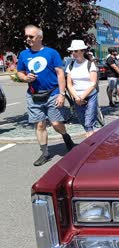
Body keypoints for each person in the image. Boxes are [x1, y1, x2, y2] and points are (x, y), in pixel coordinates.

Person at [16, 25, 75, 166]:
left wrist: (62, 94)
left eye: (31, 36)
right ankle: (45, 153)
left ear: (40, 37)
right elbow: (19, 72)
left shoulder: (51, 53)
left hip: (53, 93)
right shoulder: (24, 55)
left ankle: (66, 136)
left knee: (55, 123)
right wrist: (25, 78)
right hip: (34, 95)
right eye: (26, 36)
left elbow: (60, 74)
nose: (28, 39)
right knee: (40, 125)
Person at [65, 40, 98, 138]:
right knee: (83, 121)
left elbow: (93, 83)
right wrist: (77, 98)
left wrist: (82, 97)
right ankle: (93, 141)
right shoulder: (70, 65)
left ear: (82, 51)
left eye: (76, 51)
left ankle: (91, 146)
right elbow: (69, 84)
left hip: (90, 95)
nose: (73, 53)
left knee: (89, 122)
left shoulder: (90, 64)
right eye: (72, 51)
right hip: (77, 97)